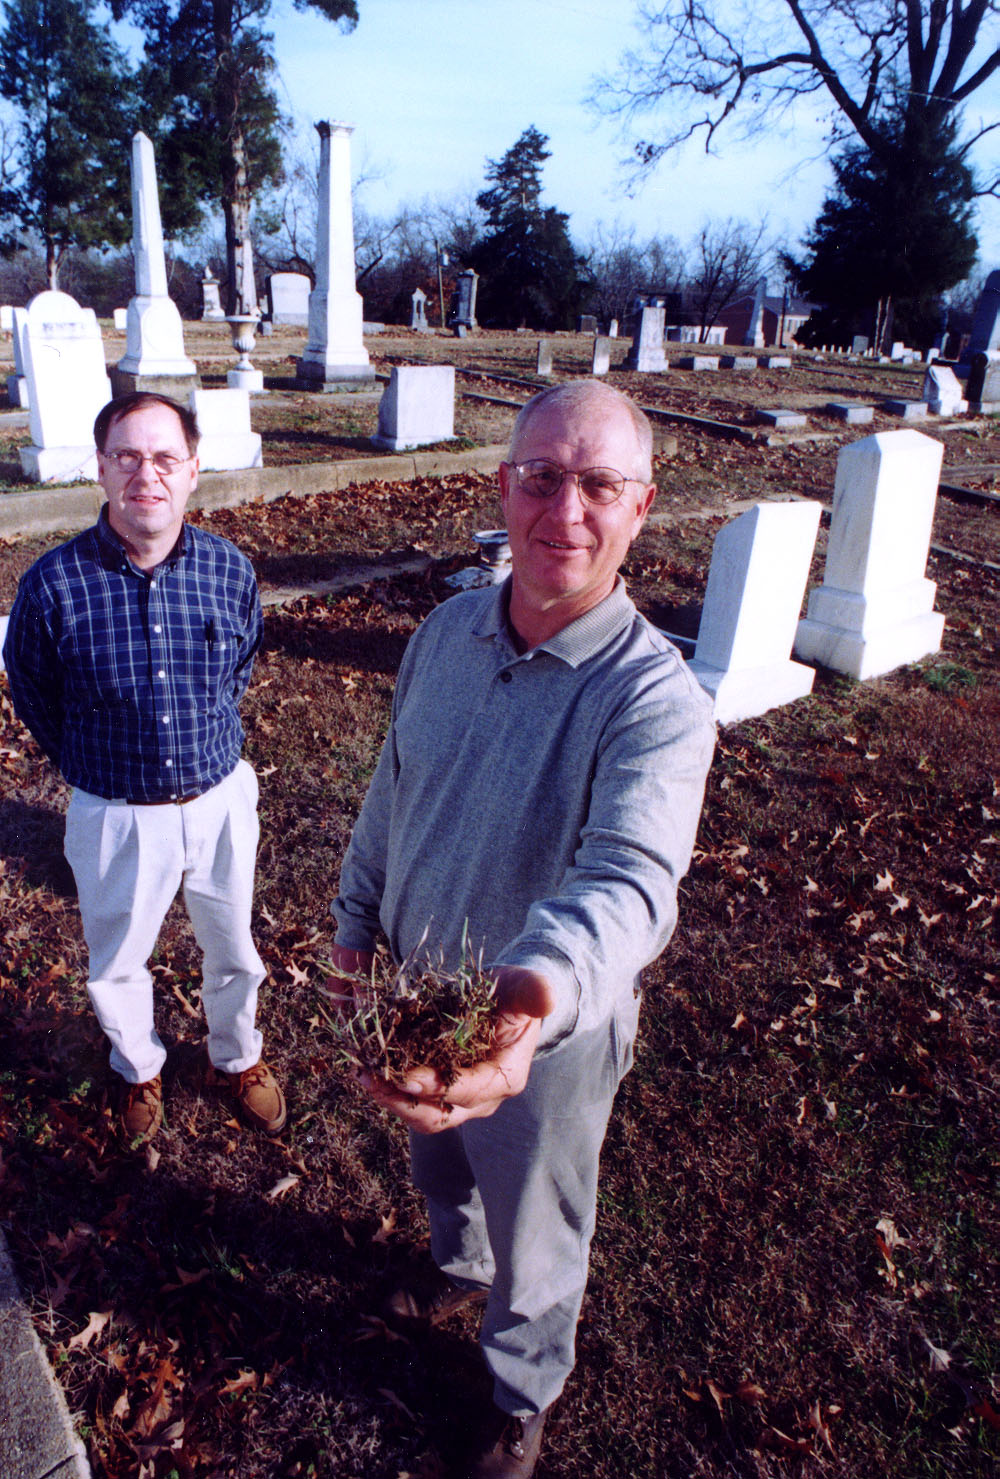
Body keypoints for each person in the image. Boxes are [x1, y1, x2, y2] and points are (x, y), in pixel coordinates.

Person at [329, 380, 715, 1478]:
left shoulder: (654, 701)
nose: (566, 510)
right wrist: (358, 923)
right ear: (502, 487)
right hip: (413, 990)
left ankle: (519, 1389)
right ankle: (454, 1269)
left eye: (598, 484)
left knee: (540, 1230)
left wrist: (526, 1002)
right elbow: (393, 789)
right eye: (540, 477)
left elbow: (630, 880)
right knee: (437, 1166)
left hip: (542, 1036)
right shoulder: (447, 631)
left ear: (640, 507)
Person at [3, 391, 285, 1146]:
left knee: (232, 946)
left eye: (165, 457)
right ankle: (137, 1065)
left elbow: (239, 668)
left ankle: (236, 1056)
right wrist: (87, 762)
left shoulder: (229, 571)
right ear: (100, 468)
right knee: (119, 956)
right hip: (116, 813)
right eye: (127, 456)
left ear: (193, 469)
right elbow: (30, 685)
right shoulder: (54, 584)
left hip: (219, 799)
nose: (146, 474)